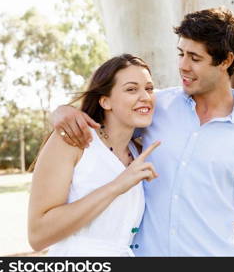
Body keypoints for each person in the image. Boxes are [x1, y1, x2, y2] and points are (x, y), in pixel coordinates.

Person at [52, 7, 234, 256]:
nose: (183, 65)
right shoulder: (154, 107)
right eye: (181, 53)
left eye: (195, 58)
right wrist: (62, 111)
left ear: (226, 60)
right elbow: (105, 112)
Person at [28, 54, 161, 256]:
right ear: (105, 101)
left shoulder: (138, 151)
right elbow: (38, 235)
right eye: (131, 89)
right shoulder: (72, 141)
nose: (145, 96)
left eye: (149, 88)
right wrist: (117, 186)